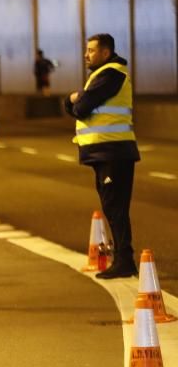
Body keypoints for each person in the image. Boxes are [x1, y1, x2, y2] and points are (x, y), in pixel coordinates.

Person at [65, 33, 139, 279]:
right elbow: (76, 104)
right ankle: (123, 259)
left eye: (91, 50)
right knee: (112, 207)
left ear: (105, 53)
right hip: (106, 151)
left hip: (113, 151)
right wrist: (74, 100)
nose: (86, 54)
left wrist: (75, 100)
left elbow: (81, 108)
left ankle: (124, 260)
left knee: (115, 207)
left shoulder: (111, 74)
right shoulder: (101, 76)